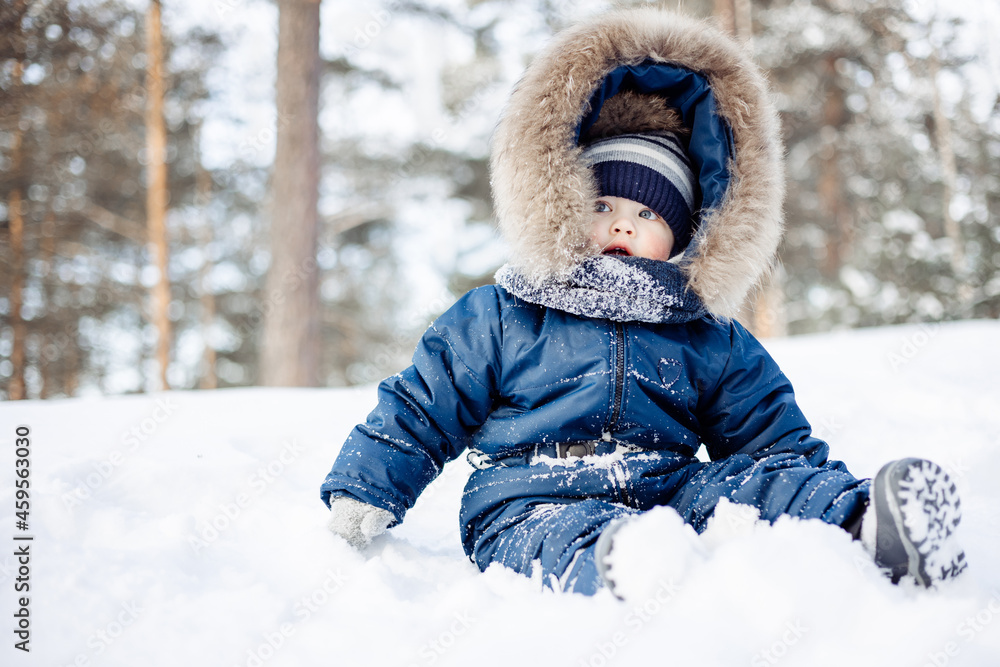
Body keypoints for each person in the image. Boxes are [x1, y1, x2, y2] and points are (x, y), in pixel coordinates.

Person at [320, 7, 966, 595]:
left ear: (682, 236)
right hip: (530, 494)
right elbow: (423, 403)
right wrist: (367, 484)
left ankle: (868, 522)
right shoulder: (505, 312)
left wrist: (802, 487)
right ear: (564, 205)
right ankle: (614, 564)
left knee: (751, 487)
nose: (622, 224)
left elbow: (769, 439)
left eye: (646, 213)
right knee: (549, 532)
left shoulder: (702, 332)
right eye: (602, 204)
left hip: (666, 490)